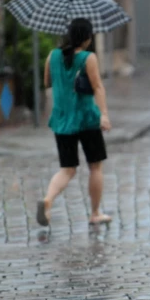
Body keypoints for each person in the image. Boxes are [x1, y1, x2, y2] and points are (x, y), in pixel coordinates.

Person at [37, 18, 112, 227]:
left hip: (62, 119)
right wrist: (103, 115)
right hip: (87, 118)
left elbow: (47, 82)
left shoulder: (52, 56)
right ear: (87, 38)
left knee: (67, 169)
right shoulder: (88, 58)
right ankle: (95, 213)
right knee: (95, 166)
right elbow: (97, 87)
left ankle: (48, 200)